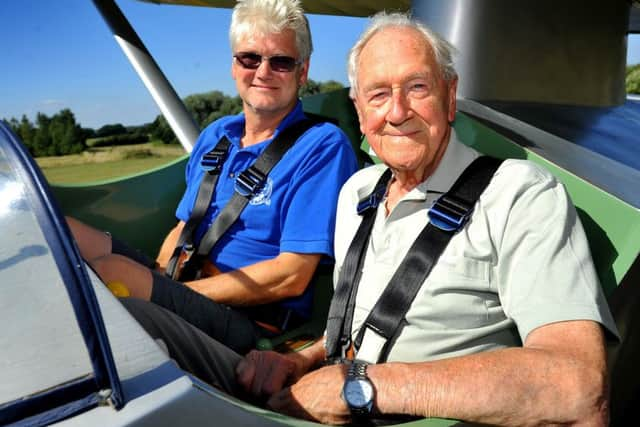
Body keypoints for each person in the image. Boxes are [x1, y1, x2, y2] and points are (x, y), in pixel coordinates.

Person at [120, 11, 619, 426]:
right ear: (359, 111)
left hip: (390, 413)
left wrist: (360, 388)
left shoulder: (520, 194)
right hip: (319, 389)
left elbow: (577, 386)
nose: (397, 112)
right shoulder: (359, 192)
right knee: (122, 321)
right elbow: (364, 332)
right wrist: (300, 359)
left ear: (450, 95)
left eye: (417, 88)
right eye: (378, 95)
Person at [69, 0, 358, 355]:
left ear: (303, 72)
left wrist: (171, 292)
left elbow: (292, 275)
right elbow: (183, 227)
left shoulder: (322, 146)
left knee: (111, 272)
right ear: (234, 66)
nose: (263, 72)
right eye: (250, 58)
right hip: (185, 283)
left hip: (248, 318)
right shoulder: (216, 135)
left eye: (281, 61)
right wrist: (161, 277)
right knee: (62, 231)